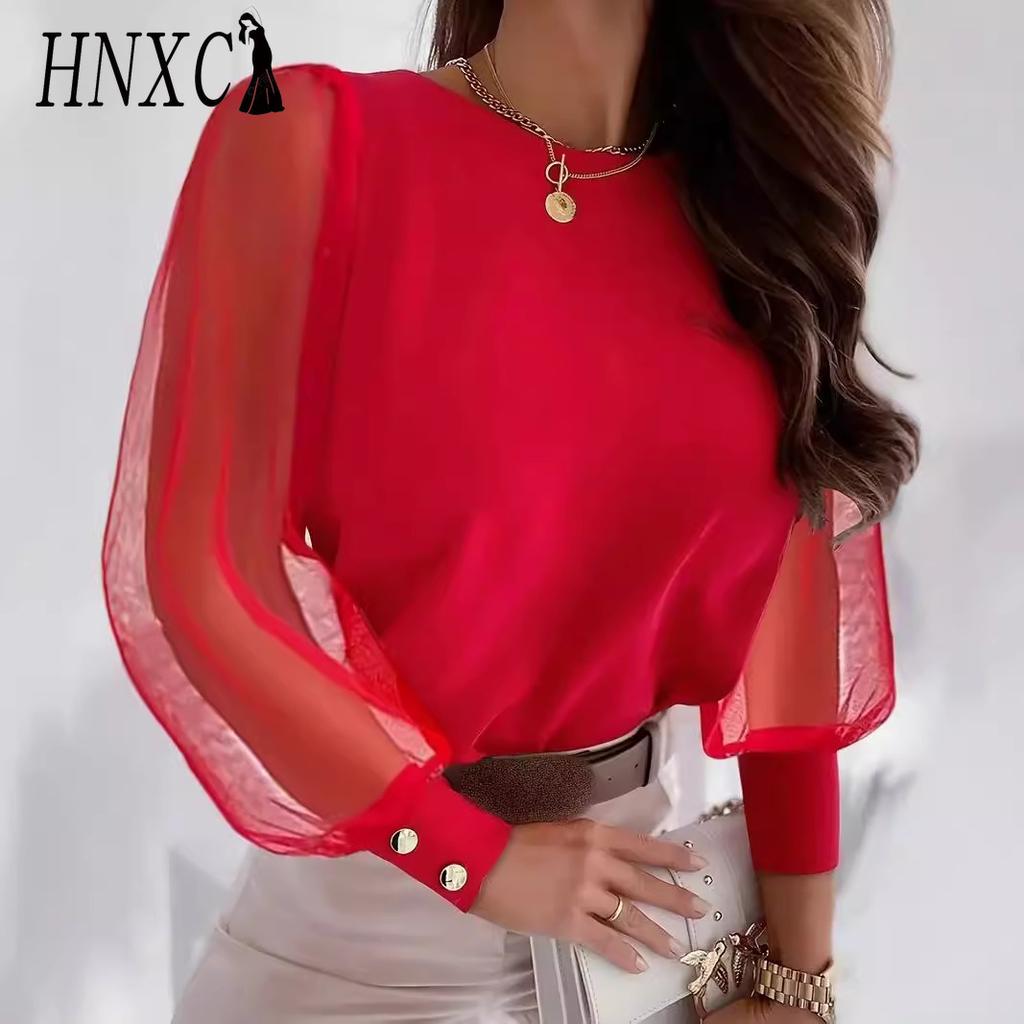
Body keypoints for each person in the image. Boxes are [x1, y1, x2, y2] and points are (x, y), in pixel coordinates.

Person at [100, 2, 919, 1021]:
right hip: (356, 958)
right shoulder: (301, 140)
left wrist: (800, 976)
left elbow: (791, 613)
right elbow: (207, 579)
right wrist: (469, 859)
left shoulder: (751, 209)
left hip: (638, 947)